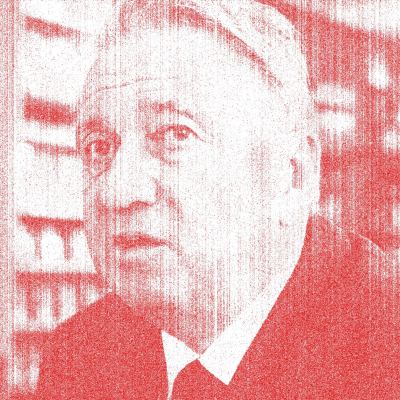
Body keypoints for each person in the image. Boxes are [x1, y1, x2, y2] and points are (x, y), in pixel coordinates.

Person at [34, 0, 400, 399]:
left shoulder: (386, 344)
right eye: (98, 147)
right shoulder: (79, 354)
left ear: (291, 176)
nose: (116, 191)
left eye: (175, 134)